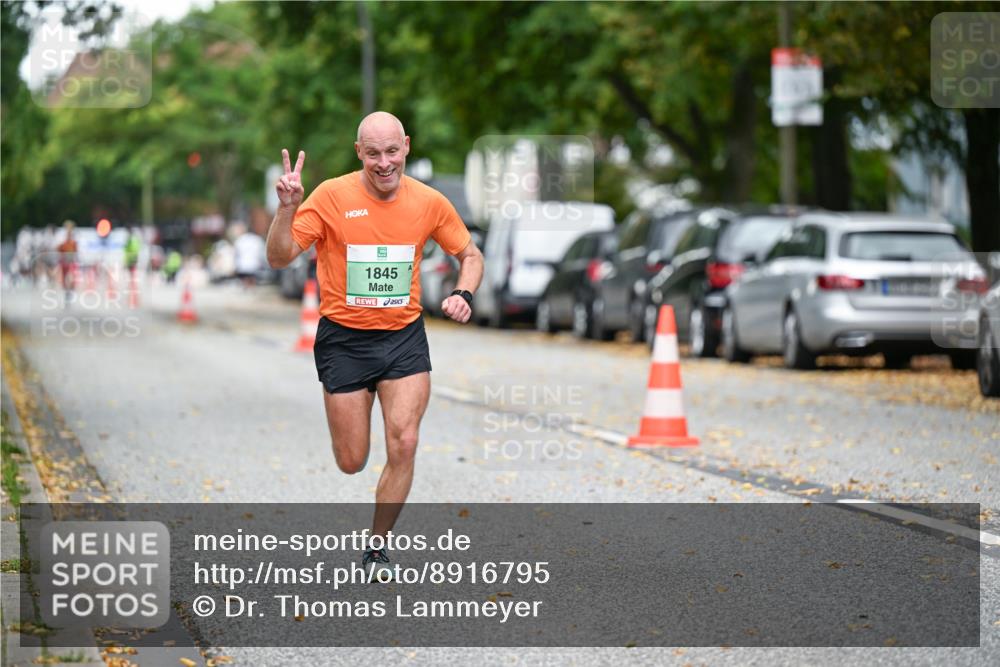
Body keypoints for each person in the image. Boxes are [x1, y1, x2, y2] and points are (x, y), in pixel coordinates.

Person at [266, 112, 484, 581]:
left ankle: (378, 548)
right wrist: (286, 208)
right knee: (352, 461)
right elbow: (280, 256)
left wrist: (464, 293)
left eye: (392, 151)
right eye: (372, 153)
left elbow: (469, 254)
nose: (384, 163)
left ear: (405, 146)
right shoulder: (330, 196)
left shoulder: (428, 201)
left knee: (404, 441)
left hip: (403, 337)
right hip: (343, 339)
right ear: (358, 152)